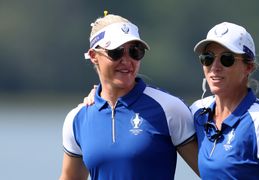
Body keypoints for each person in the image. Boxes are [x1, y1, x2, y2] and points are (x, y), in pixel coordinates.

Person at [59, 13, 198, 180]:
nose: (127, 61)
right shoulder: (76, 119)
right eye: (116, 52)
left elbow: (213, 173)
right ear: (94, 56)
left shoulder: (170, 109)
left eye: (135, 52)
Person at [190, 22, 259, 179]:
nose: (215, 67)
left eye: (227, 59)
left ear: (248, 67)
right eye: (208, 58)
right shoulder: (197, 111)